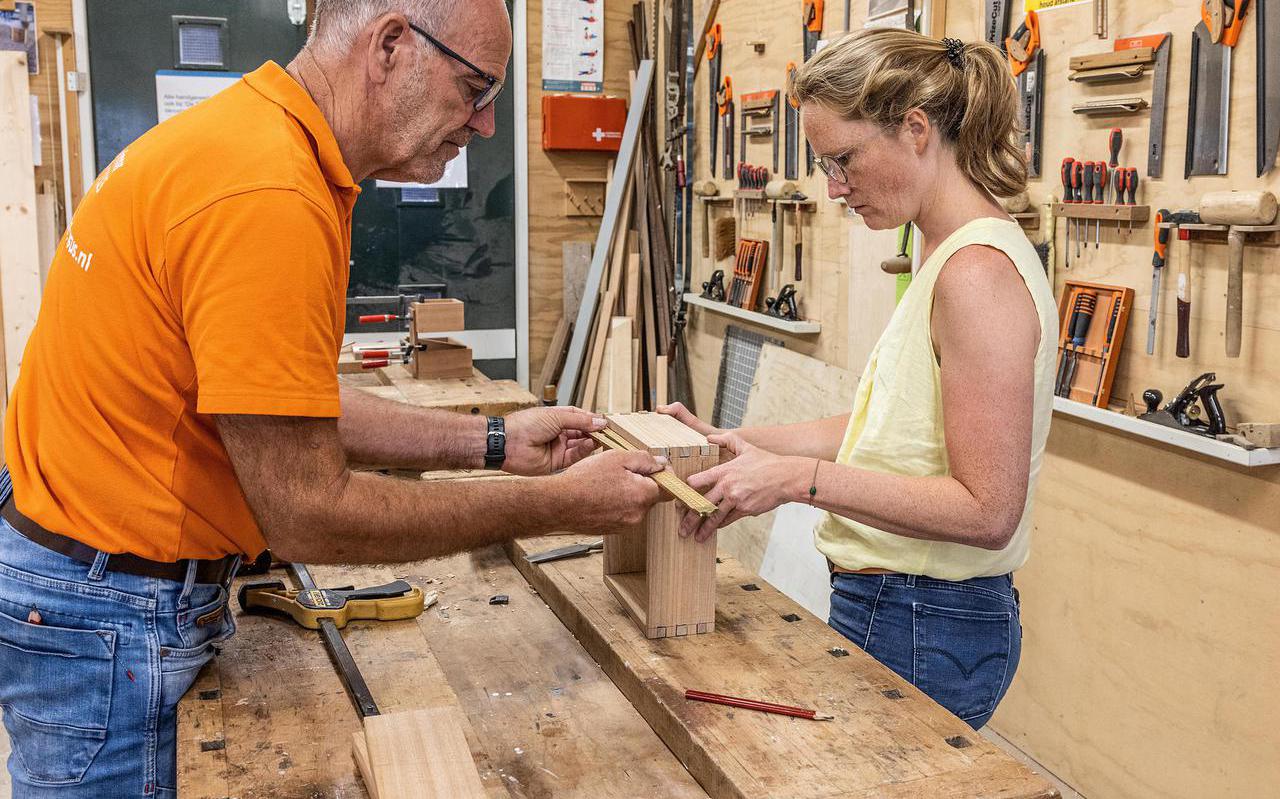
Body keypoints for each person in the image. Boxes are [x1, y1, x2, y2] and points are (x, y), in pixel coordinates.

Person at [0, 2, 661, 795]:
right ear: (389, 44)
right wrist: (556, 504)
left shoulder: (256, 141)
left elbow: (282, 404)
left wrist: (493, 441)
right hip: (105, 607)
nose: (485, 125)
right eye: (474, 87)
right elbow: (307, 510)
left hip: (78, 570)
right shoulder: (268, 192)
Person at [660, 30, 1057, 730]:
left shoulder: (976, 274)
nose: (836, 187)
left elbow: (988, 510)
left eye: (844, 160)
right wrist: (735, 443)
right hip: (902, 606)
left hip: (926, 617)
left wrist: (794, 481)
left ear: (915, 130)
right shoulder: (937, 253)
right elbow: (881, 435)